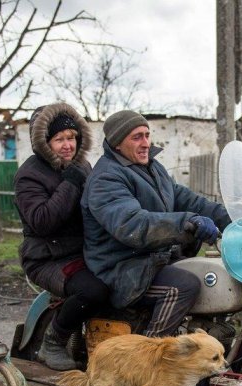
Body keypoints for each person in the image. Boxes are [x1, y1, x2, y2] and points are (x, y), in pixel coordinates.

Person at [82, 110, 230, 337]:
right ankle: (151, 358)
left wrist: (233, 217)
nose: (145, 143)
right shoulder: (106, 178)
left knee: (212, 275)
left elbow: (187, 199)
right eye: (137, 137)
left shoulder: (152, 167)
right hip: (121, 268)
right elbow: (132, 225)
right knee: (184, 286)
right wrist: (187, 222)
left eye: (147, 135)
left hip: (151, 260)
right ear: (117, 143)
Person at [14, 102, 110, 370]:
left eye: (71, 138)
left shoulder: (82, 166)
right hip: (46, 257)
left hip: (82, 251)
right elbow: (42, 222)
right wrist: (70, 183)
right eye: (59, 139)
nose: (68, 145)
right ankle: (53, 342)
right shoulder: (29, 176)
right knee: (93, 291)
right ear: (44, 142)